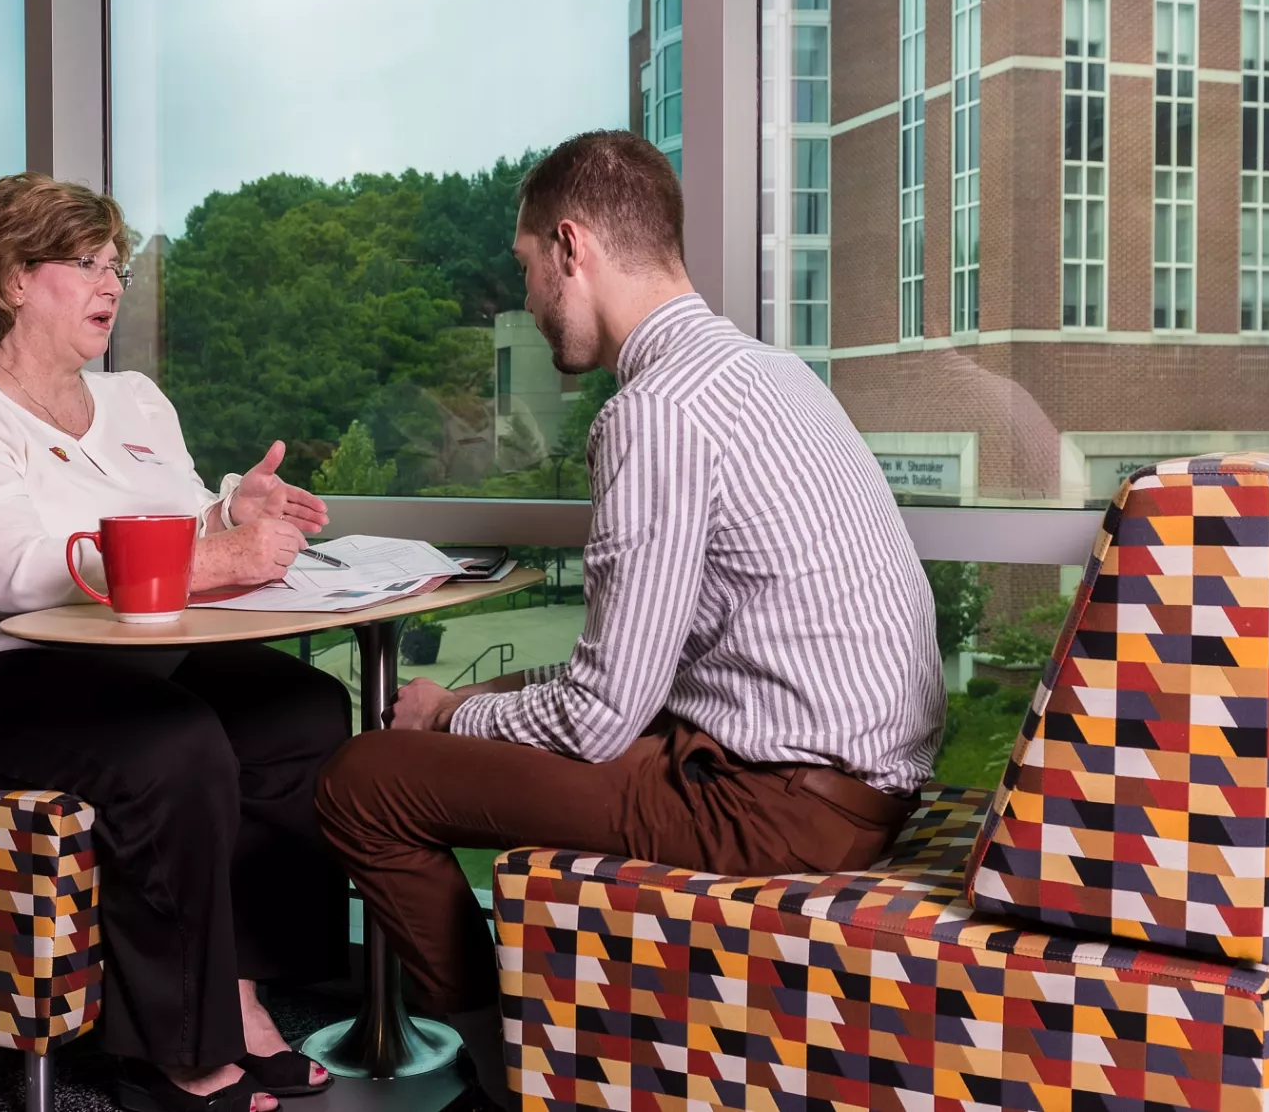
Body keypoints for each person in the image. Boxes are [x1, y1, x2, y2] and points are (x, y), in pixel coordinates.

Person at [315, 131, 945, 1110]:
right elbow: (637, 668)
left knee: (362, 783)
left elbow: (603, 715)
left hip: (776, 805)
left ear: (571, 247)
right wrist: (481, 698)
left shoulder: (655, 410)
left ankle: (499, 1073)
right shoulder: (769, 376)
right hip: (854, 779)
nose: (524, 302)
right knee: (453, 735)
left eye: (525, 268)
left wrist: (445, 717)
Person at [0, 173, 346, 1112]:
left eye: (119, 266)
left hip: (93, 664)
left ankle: (239, 993)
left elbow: (176, 513)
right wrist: (216, 554)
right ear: (13, 278)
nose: (112, 284)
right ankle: (176, 1057)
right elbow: (9, 575)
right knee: (168, 743)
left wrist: (231, 508)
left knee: (297, 707)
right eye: (87, 264)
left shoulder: (135, 399)